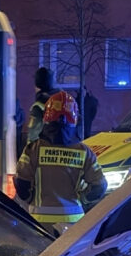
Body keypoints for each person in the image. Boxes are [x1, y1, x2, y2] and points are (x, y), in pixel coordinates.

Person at [14, 90, 107, 234]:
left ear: (47, 118)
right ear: (75, 119)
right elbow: (99, 186)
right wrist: (83, 198)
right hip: (74, 223)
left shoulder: (33, 149)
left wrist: (30, 199)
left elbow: (22, 184)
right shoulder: (84, 152)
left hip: (39, 224)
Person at [25, 67, 57, 144]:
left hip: (44, 152)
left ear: (37, 85)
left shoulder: (38, 107)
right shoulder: (61, 103)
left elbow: (33, 137)